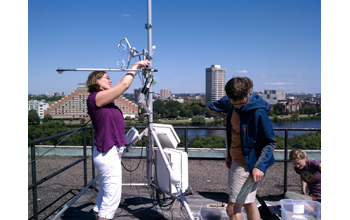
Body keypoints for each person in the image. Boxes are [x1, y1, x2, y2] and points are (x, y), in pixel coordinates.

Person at [86, 60, 150, 220]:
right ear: (97, 82)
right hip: (106, 154)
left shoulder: (108, 102)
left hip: (109, 152)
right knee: (111, 198)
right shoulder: (95, 98)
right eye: (106, 78)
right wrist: (135, 66)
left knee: (104, 195)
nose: (110, 80)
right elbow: (123, 86)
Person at [222, 77, 276, 220]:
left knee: (232, 209)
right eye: (235, 103)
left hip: (247, 165)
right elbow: (233, 133)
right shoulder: (231, 105)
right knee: (249, 203)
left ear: (248, 93)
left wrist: (260, 166)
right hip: (236, 159)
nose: (238, 107)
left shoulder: (258, 112)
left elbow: (270, 142)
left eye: (241, 103)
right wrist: (229, 154)